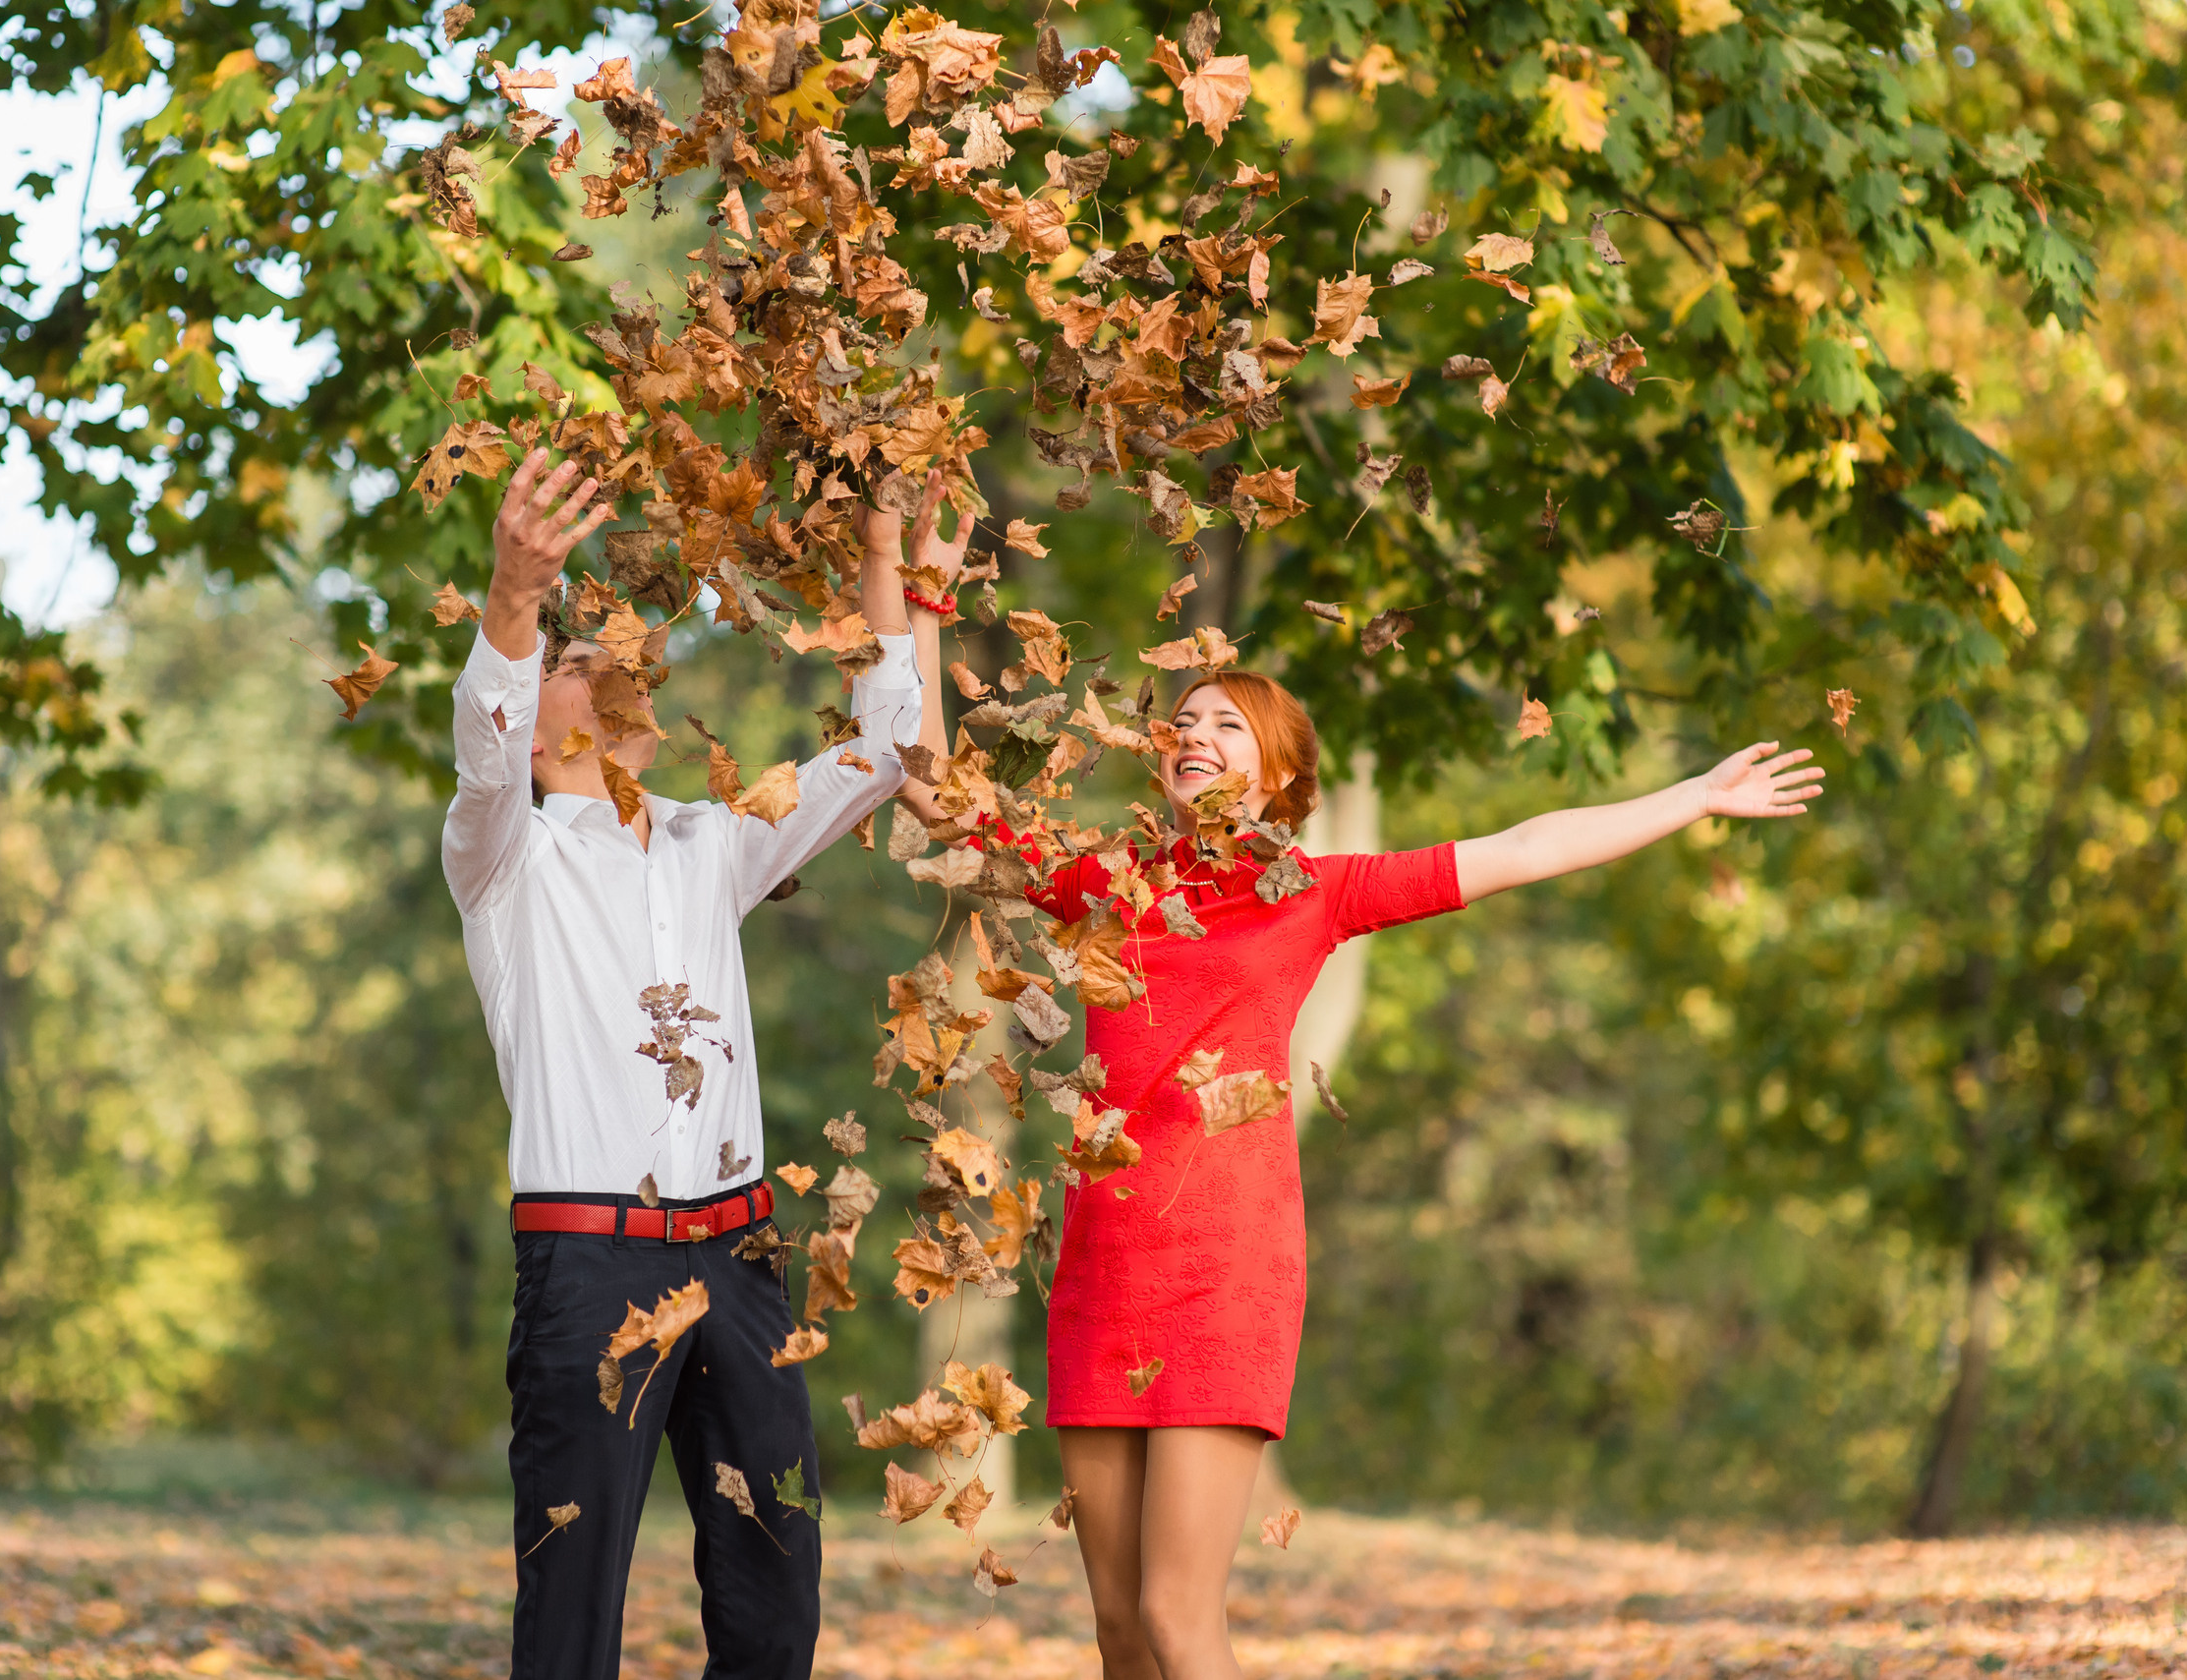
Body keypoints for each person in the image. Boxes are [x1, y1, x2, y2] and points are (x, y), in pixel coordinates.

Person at [900, 666, 1822, 1680]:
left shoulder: (1312, 892)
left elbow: (1522, 846)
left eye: (1227, 724)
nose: (1193, 733)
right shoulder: (1107, 884)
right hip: (1103, 1273)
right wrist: (909, 589)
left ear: (1279, 772)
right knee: (1119, 1628)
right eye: (1183, 720)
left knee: (1173, 1614)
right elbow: (944, 800)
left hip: (1223, 1277)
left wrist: (1693, 796)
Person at [443, 447, 954, 1680]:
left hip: (741, 1258)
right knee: (571, 1605)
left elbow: (889, 746)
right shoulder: (503, 854)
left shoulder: (713, 841)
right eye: (572, 659)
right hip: (590, 1265)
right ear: (539, 732)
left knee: (776, 1592)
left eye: (604, 648)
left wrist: (886, 557)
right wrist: (514, 594)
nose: (602, 656)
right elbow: (481, 730)